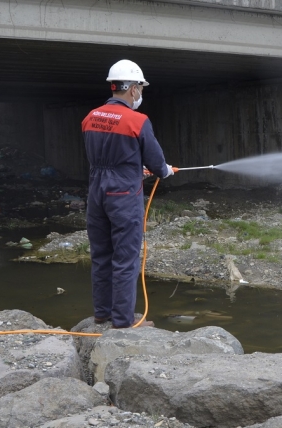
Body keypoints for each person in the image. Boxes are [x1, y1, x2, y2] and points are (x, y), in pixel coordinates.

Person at [81, 59, 173, 328]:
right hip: (122, 195)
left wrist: (132, 167)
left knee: (101, 255)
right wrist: (164, 171)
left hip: (97, 192)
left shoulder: (90, 117)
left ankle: (102, 313)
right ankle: (122, 320)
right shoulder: (137, 120)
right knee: (125, 257)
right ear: (132, 89)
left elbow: (107, 156)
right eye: (140, 89)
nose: (140, 94)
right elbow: (157, 164)